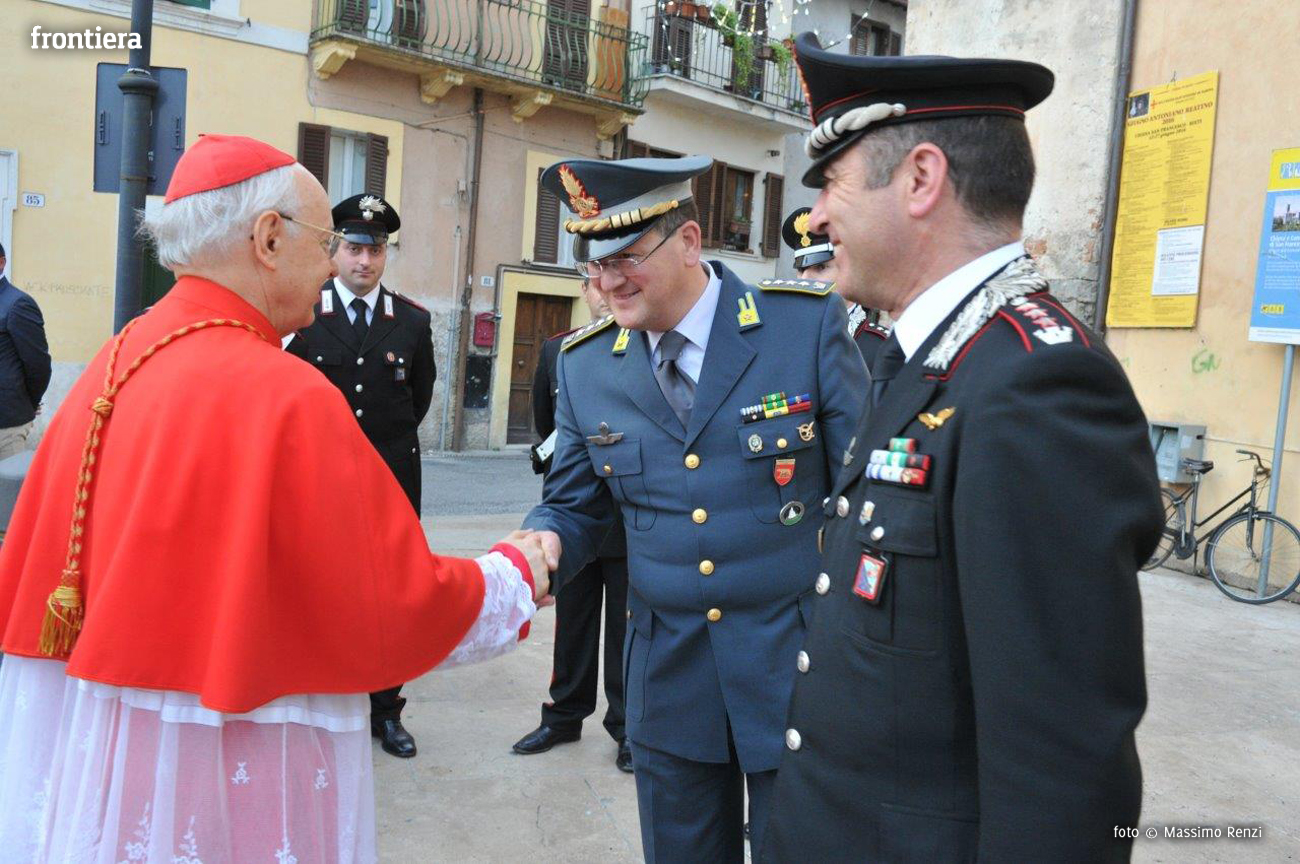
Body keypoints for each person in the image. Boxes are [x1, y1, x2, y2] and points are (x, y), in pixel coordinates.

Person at [0, 134, 552, 862]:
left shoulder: (119, 355)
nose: (331, 264)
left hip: (102, 739)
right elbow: (388, 601)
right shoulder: (286, 392)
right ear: (267, 239)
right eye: (324, 242)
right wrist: (512, 575)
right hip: (231, 750)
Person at [760, 35, 1165, 862]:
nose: (817, 218)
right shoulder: (929, 355)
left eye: (832, 184)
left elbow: (1061, 771)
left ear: (921, 179)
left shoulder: (1036, 386)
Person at [523, 155, 868, 861]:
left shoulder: (800, 327)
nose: (608, 281)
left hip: (795, 666)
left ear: (687, 240)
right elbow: (573, 506)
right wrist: (541, 543)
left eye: (626, 257)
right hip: (668, 676)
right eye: (595, 264)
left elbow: (863, 496)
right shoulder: (585, 366)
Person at [285, 192, 436, 758]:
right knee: (318, 589)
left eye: (375, 250)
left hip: (390, 478)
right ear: (335, 250)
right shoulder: (303, 313)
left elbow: (417, 399)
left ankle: (386, 710)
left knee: (387, 596)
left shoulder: (412, 322)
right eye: (353, 248)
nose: (364, 261)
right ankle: (322, 701)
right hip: (317, 479)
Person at [513, 277, 632, 773]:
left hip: (628, 518)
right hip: (574, 516)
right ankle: (564, 716)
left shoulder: (645, 343)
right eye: (594, 281)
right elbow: (551, 427)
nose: (605, 291)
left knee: (627, 629)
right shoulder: (558, 350)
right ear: (584, 290)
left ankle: (627, 727)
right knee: (572, 624)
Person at [781, 207, 889, 370]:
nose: (805, 279)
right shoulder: (786, 340)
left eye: (820, 267)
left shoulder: (881, 349)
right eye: (801, 269)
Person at [0, 242, 52, 459]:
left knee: (7, 481)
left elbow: (38, 364)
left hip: (6, 426)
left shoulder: (18, 304)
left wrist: (27, 401)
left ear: (1, 263)